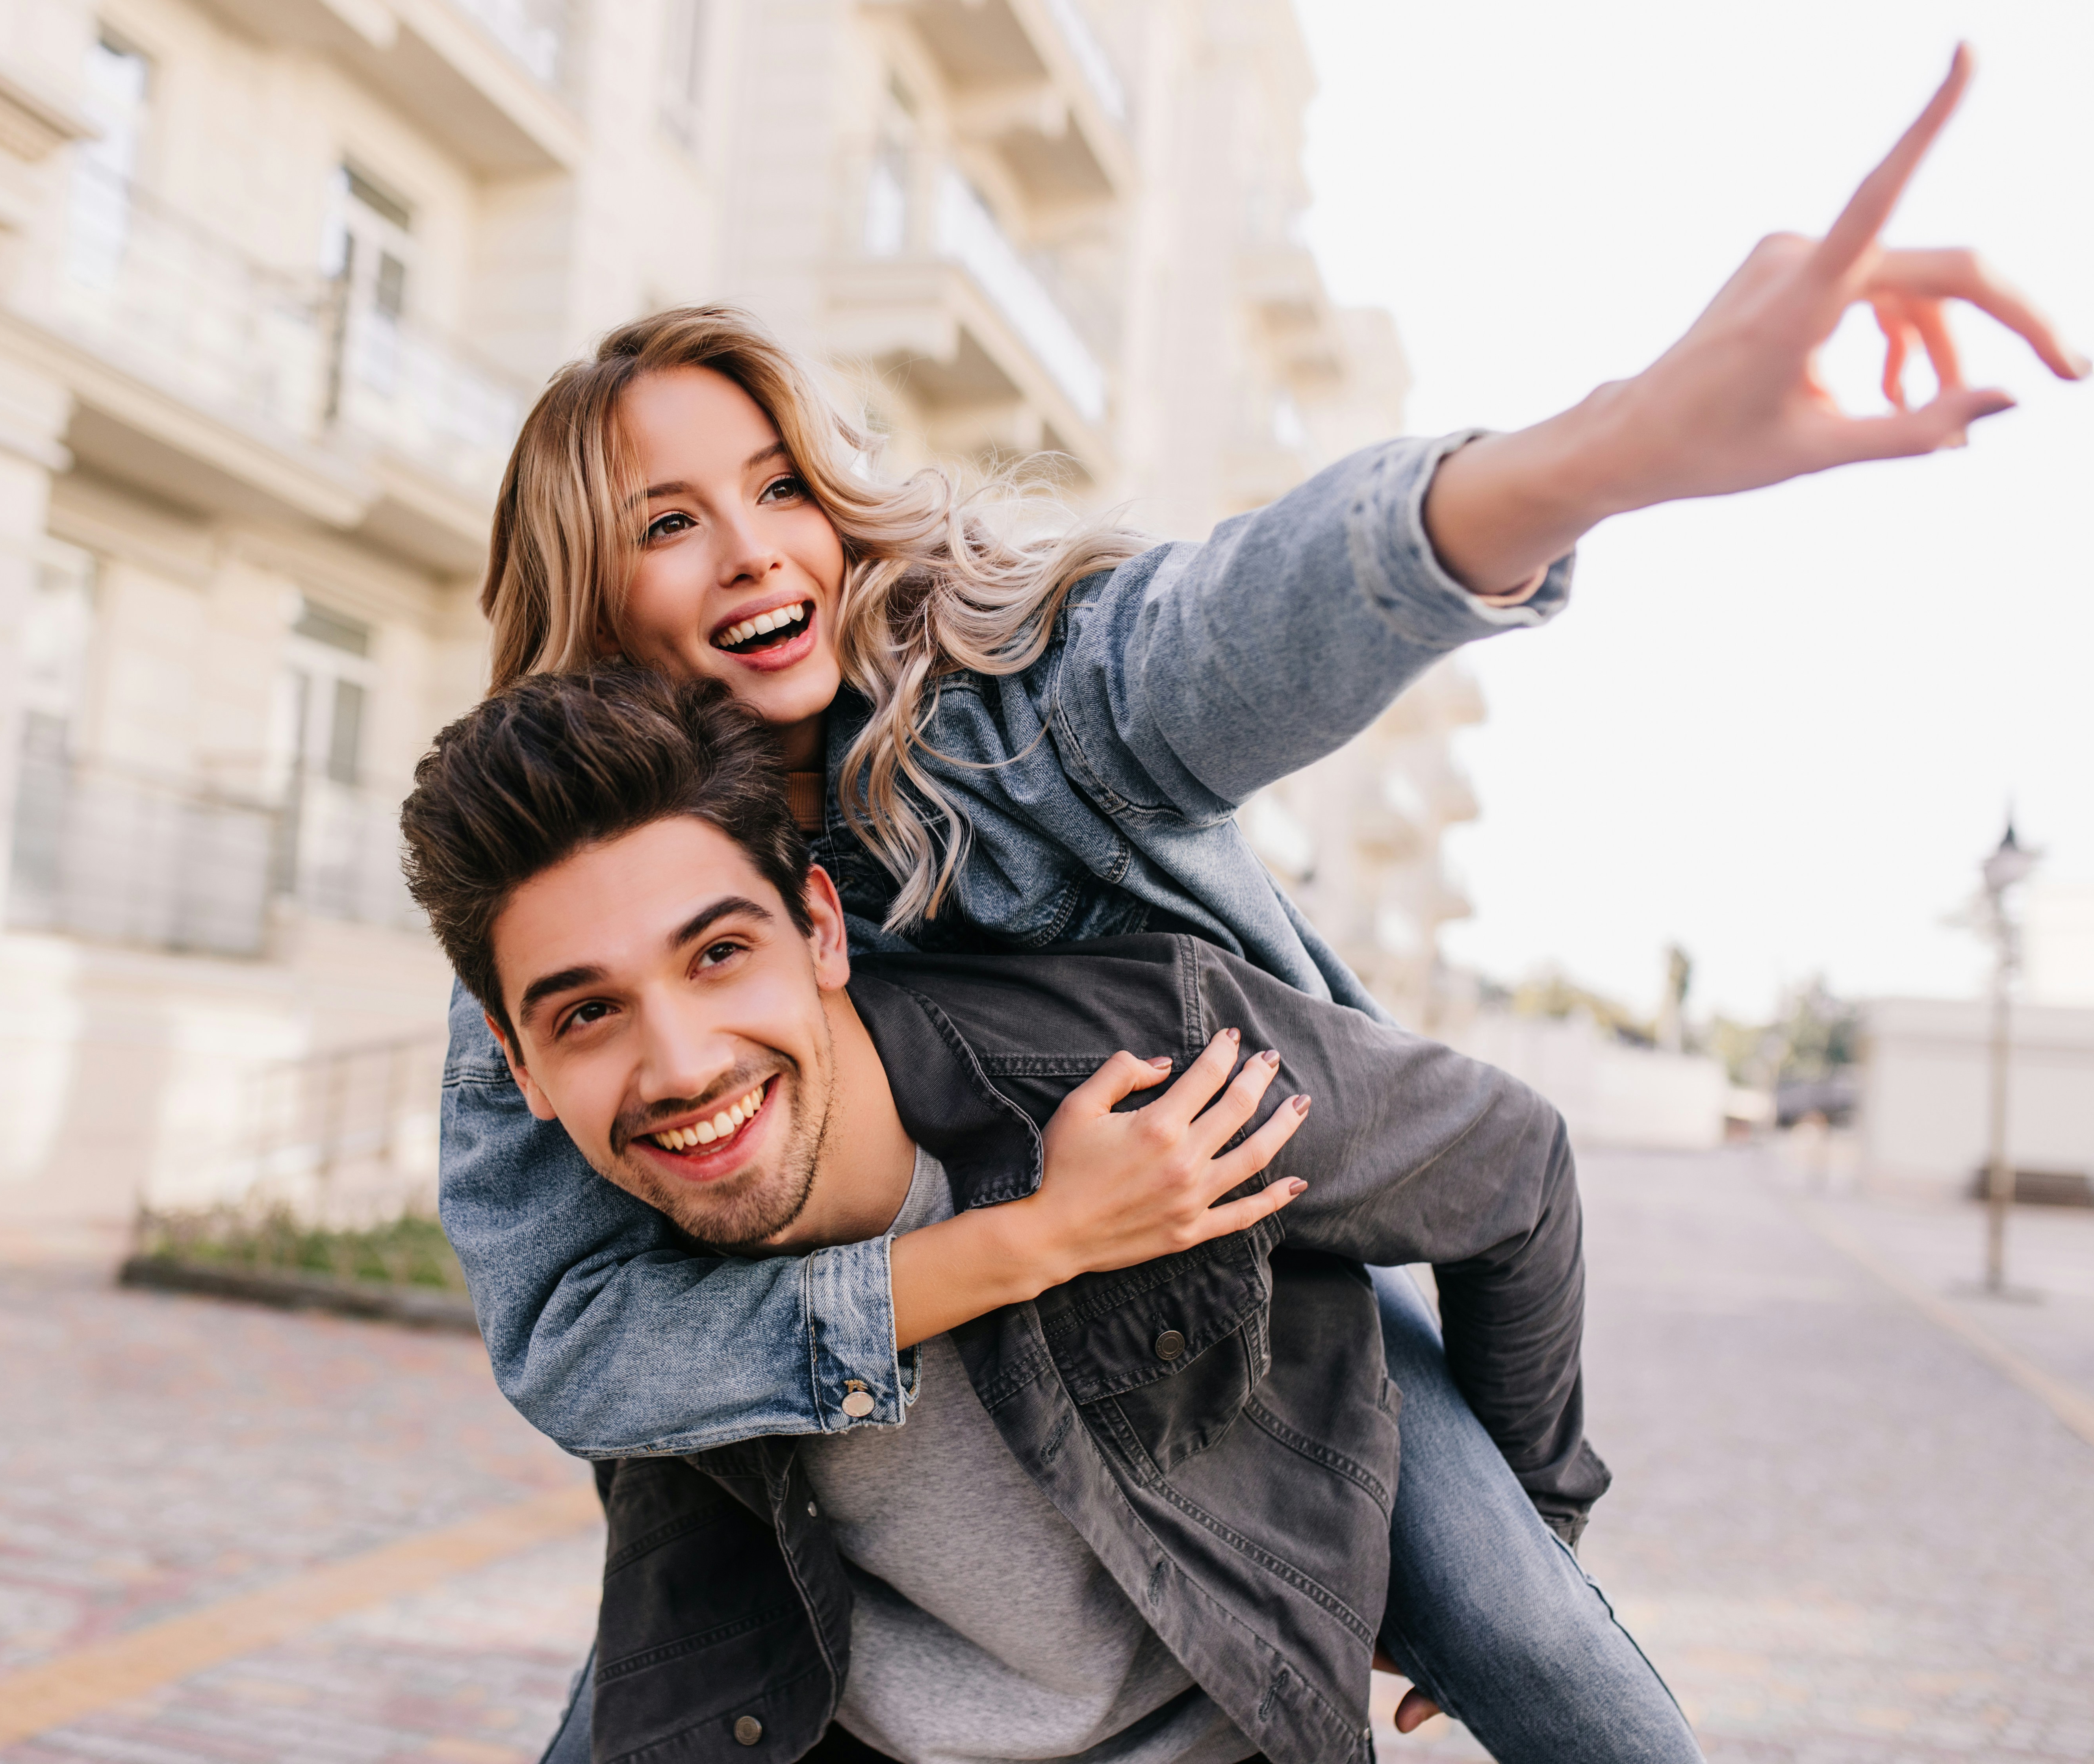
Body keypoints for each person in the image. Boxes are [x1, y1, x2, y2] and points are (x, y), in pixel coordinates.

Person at [435, 48, 2080, 1760]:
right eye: (672, 525)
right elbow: (574, 1338)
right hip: (855, 1419)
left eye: (779, 487)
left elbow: (1233, 623)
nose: (759, 550)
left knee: (1541, 1641)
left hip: (1234, 1287)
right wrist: (1011, 1245)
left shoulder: (1001, 712)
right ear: (588, 586)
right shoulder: (550, 928)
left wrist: (1606, 452)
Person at [402, 667, 1633, 1764]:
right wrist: (1035, 1240)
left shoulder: (1152, 1075)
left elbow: (1512, 1167)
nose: (678, 1066)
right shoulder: (623, 1295)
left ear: (822, 929)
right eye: (585, 1015)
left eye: (719, 955)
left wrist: (1520, 1553)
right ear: (519, 1073)